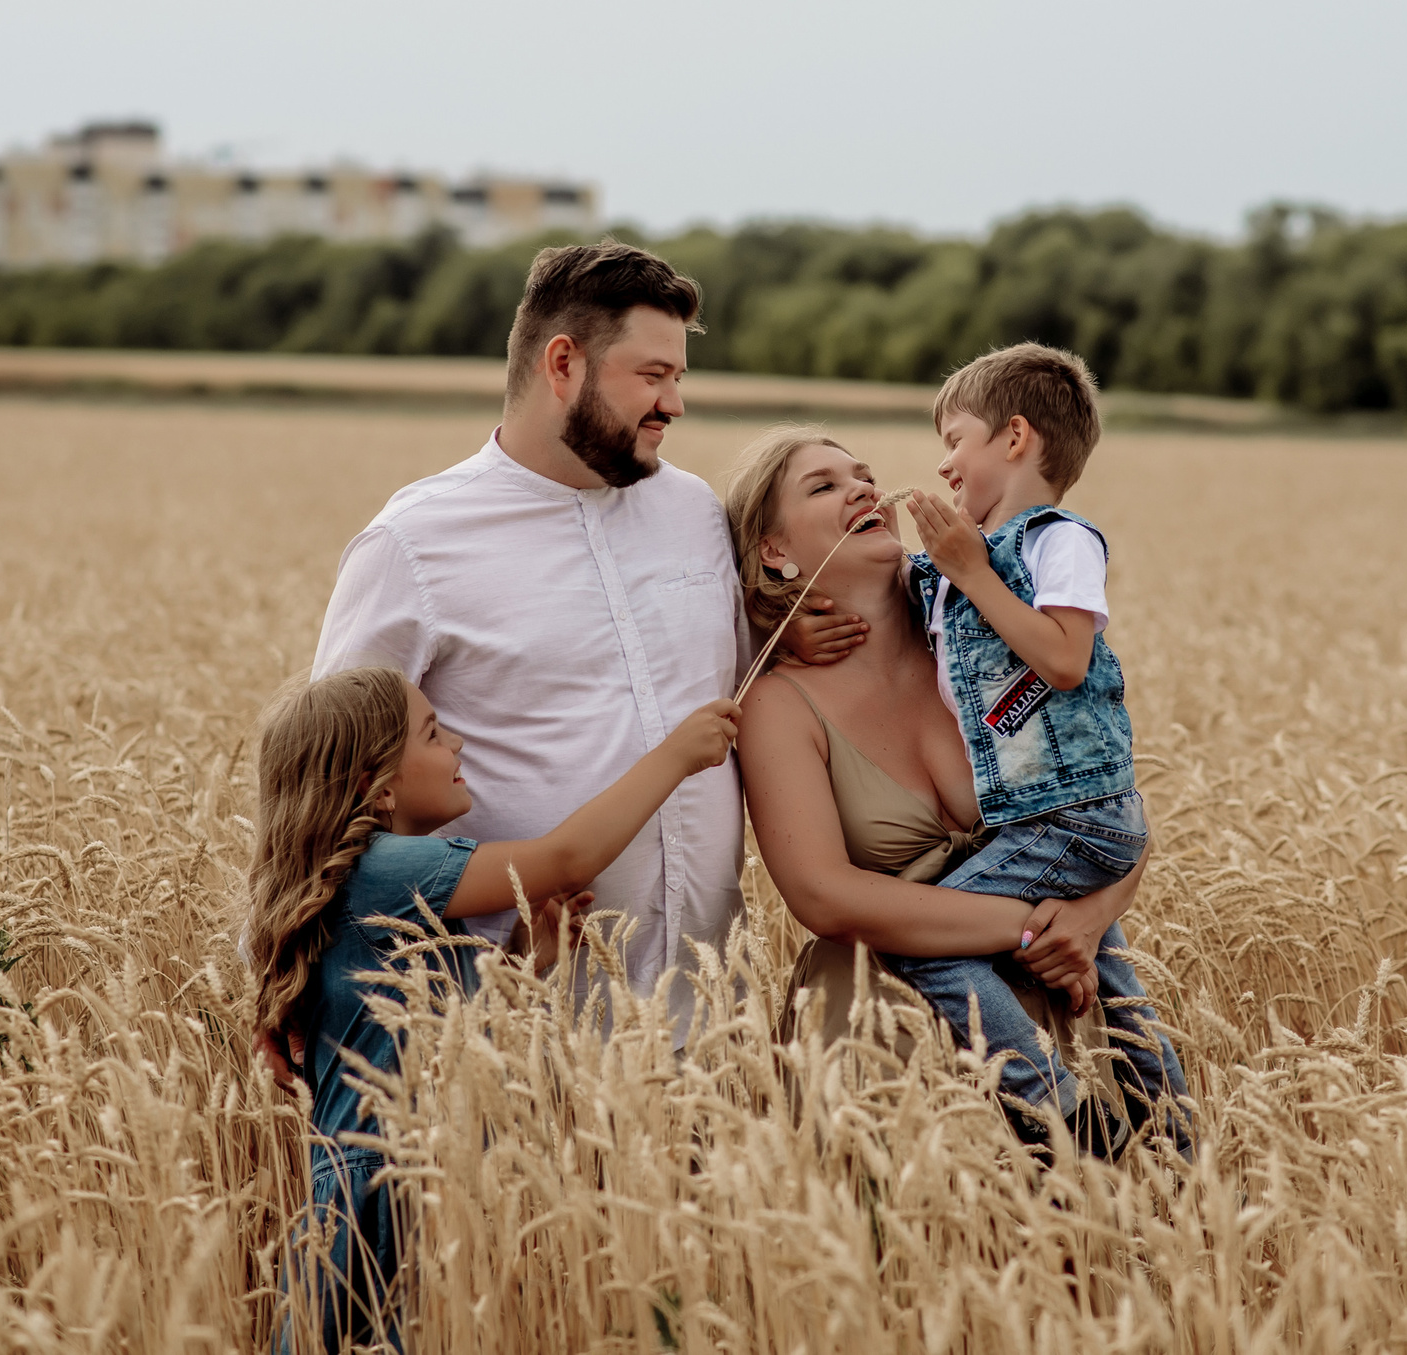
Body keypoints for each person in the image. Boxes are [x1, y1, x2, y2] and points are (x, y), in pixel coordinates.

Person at [307, 241, 759, 1026]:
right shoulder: (414, 542)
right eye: (653, 376)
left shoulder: (696, 513)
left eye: (678, 378)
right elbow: (322, 783)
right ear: (563, 364)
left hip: (712, 1014)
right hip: (511, 1026)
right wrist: (286, 983)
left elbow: (759, 695)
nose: (674, 404)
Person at [244, 665, 740, 1352]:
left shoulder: (381, 886)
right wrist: (676, 755)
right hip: (388, 1196)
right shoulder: (384, 869)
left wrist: (522, 958)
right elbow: (567, 858)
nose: (456, 743)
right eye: (432, 733)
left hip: (416, 1184)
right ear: (376, 786)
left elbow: (439, 1035)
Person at [725, 426, 1179, 1156]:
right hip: (883, 1040)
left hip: (1057, 1012)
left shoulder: (980, 631)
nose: (864, 489)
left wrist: (1091, 919)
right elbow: (825, 896)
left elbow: (1105, 799)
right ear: (774, 549)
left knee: (1117, 1205)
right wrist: (1033, 929)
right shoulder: (780, 702)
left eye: (864, 475)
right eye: (824, 486)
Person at [887, 342, 1189, 1147]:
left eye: (956, 439)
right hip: (1045, 821)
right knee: (1115, 989)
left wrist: (973, 570)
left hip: (1073, 816)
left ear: (1015, 437)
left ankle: (1068, 1120)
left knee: (927, 944)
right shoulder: (960, 564)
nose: (943, 463)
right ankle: (1179, 1151)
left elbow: (1064, 659)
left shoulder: (1058, 540)